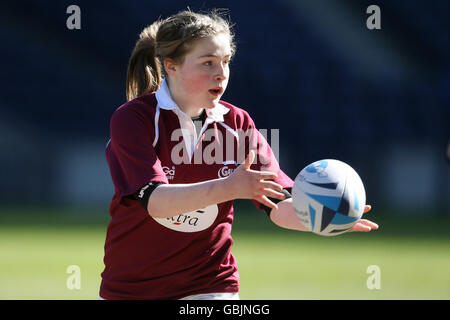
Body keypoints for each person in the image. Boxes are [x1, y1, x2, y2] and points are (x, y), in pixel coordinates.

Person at [99, 9, 378, 300]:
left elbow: (277, 203)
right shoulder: (134, 119)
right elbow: (156, 202)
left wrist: (320, 216)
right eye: (207, 63)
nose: (221, 73)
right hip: (130, 288)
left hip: (209, 284)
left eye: (225, 62)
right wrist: (229, 187)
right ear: (171, 66)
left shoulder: (237, 122)